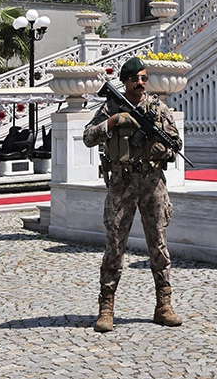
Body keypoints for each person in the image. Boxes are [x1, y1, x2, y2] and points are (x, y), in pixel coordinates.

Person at [82, 56, 182, 333]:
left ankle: (164, 304)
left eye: (143, 78)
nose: (140, 83)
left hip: (152, 183)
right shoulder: (110, 107)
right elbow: (88, 137)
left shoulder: (157, 108)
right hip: (121, 183)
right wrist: (113, 121)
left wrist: (165, 148)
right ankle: (106, 307)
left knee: (158, 244)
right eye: (134, 79)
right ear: (125, 81)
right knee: (115, 245)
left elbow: (176, 143)